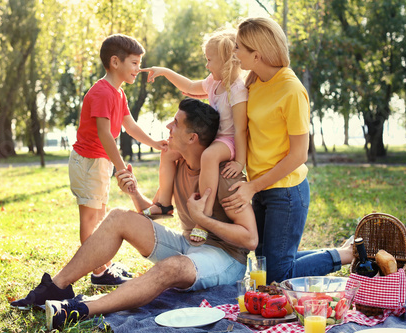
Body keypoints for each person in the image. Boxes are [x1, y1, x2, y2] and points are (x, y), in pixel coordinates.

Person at [9, 98, 258, 330]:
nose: (169, 126)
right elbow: (159, 211)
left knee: (173, 267)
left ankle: (79, 309)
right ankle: (57, 287)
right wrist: (134, 192)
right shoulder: (178, 162)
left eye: (176, 123)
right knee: (119, 216)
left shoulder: (226, 176)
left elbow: (250, 239)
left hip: (225, 258)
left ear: (192, 137)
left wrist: (203, 220)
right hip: (188, 245)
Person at [221, 17, 354, 284]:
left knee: (275, 276)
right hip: (261, 188)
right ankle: (343, 251)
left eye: (238, 48)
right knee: (264, 268)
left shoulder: (292, 90)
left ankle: (345, 255)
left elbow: (298, 155)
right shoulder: (253, 82)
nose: (234, 53)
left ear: (256, 54)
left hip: (287, 192)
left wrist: (253, 187)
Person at [68, 34, 167, 286]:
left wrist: (154, 143)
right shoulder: (101, 92)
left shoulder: (118, 94)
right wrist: (122, 169)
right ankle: (99, 271)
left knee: (100, 216)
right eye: (134, 63)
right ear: (115, 62)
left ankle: (103, 264)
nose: (139, 69)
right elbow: (104, 134)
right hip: (89, 162)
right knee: (90, 219)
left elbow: (129, 126)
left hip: (100, 162)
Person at [140, 28, 248, 246]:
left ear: (227, 61)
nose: (207, 65)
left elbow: (241, 130)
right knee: (169, 152)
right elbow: (189, 86)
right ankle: (163, 203)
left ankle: (204, 216)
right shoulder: (213, 82)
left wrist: (239, 161)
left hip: (229, 142)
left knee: (208, 156)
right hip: (214, 137)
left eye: (210, 60)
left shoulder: (237, 90)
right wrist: (165, 72)